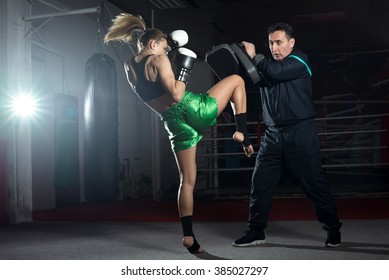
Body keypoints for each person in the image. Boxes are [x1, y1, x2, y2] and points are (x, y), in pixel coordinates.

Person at [104, 13, 254, 254]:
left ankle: (189, 236)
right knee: (236, 80)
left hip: (173, 122)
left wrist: (173, 55)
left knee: (187, 181)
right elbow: (175, 93)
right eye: (163, 46)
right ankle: (243, 133)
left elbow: (150, 91)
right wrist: (185, 67)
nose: (166, 50)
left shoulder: (128, 66)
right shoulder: (159, 59)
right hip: (191, 109)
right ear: (153, 45)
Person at [233, 22, 342, 248]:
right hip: (273, 135)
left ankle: (332, 229)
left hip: (300, 132)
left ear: (291, 43)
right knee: (260, 184)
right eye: (271, 43)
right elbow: (247, 79)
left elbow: (275, 72)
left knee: (314, 184)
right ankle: (255, 231)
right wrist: (240, 56)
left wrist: (256, 56)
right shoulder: (266, 66)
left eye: (279, 42)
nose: (275, 47)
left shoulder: (300, 61)